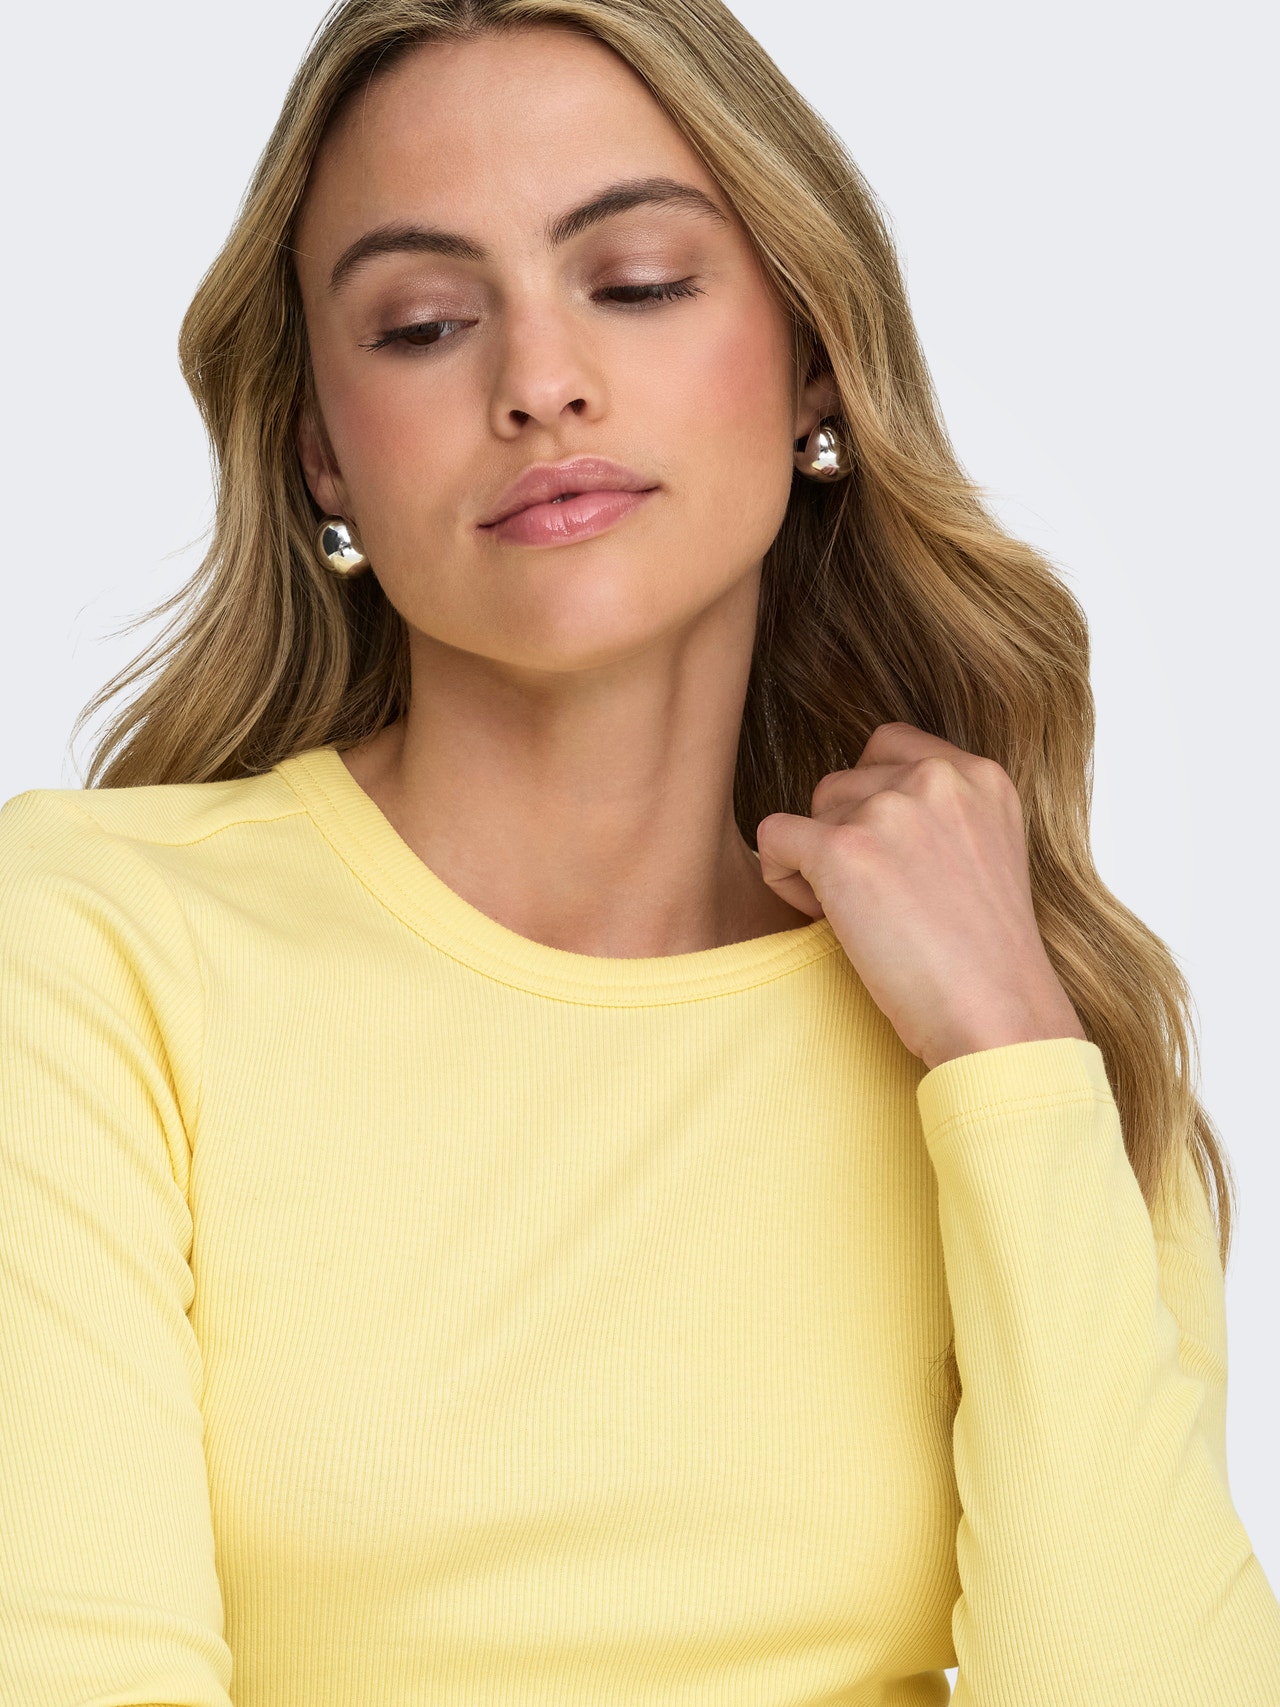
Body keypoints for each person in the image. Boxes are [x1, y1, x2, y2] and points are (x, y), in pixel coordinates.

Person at [2, 1, 1278, 1702]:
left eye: (640, 282)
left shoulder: (1037, 1030)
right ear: (322, 451)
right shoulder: (91, 945)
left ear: (814, 356)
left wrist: (1011, 1058)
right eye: (424, 324)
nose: (540, 383)